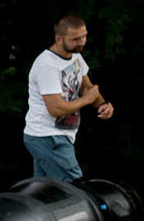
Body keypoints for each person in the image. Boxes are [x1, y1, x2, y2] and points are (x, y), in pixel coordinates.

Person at [23, 15, 111, 182]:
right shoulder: (47, 65)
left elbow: (87, 87)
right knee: (75, 190)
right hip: (47, 137)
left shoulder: (75, 56)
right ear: (58, 38)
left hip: (58, 135)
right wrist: (86, 100)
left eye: (84, 36)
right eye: (76, 39)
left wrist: (102, 104)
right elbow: (55, 109)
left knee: (46, 194)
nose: (82, 42)